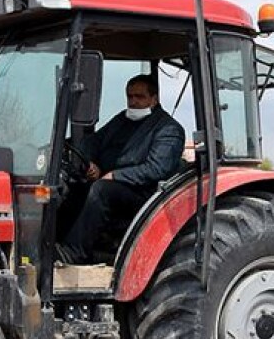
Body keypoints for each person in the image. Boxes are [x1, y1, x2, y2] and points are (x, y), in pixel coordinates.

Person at [57, 74, 186, 264]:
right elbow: (94, 142)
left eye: (140, 97)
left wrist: (115, 175)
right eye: (130, 96)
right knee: (71, 185)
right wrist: (91, 162)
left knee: (101, 190)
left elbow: (156, 169)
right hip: (113, 183)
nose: (133, 101)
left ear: (154, 99)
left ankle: (74, 253)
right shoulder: (122, 120)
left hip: (145, 194)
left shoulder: (168, 129)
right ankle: (56, 243)